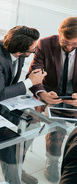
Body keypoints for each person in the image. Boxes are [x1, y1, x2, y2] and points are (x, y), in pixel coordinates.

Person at [0, 26, 45, 184]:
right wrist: (29, 82)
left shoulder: (16, 51)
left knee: (34, 124)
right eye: (33, 50)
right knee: (9, 136)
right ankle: (13, 178)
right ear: (20, 51)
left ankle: (17, 167)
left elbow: (10, 85)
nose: (35, 51)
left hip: (7, 103)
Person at [27, 17, 77, 182]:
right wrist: (42, 94)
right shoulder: (45, 44)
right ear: (59, 34)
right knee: (57, 128)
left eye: (74, 44)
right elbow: (32, 74)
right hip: (50, 95)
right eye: (65, 42)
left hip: (74, 97)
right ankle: (53, 160)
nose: (69, 47)